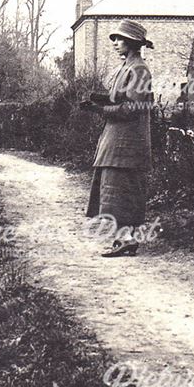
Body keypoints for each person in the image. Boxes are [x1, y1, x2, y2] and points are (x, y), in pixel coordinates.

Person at [79, 19, 153, 257]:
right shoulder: (127, 68)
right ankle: (125, 239)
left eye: (119, 39)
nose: (115, 44)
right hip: (117, 142)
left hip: (127, 144)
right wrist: (100, 99)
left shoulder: (139, 69)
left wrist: (98, 110)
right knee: (115, 190)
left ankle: (126, 239)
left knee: (121, 191)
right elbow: (120, 98)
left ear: (132, 43)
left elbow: (133, 108)